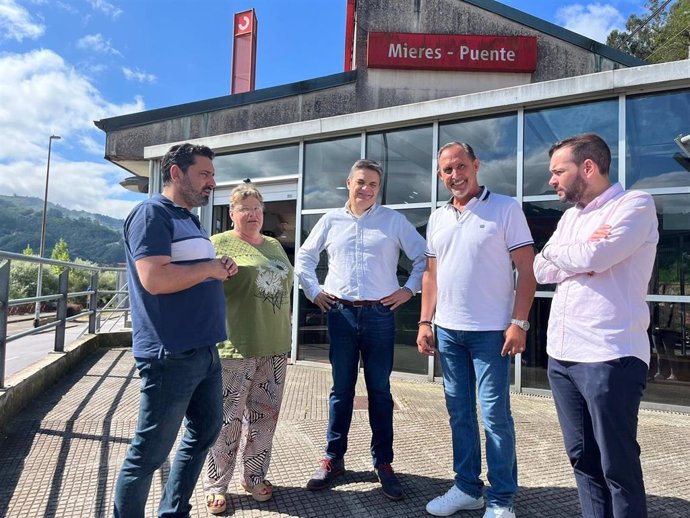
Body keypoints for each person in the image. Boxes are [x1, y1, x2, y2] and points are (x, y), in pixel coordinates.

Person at [533, 133, 658, 518]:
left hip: (610, 356)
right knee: (583, 461)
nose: (552, 180)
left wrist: (573, 253)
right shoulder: (571, 218)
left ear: (587, 167)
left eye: (558, 171)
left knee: (616, 466)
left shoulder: (634, 204)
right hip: (562, 357)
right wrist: (577, 253)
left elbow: (599, 255)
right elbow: (540, 267)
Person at [114, 143, 238, 518]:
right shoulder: (151, 213)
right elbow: (153, 278)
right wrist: (209, 269)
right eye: (204, 174)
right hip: (170, 353)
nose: (212, 183)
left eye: (213, 175)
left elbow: (193, 270)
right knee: (150, 451)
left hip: (204, 351)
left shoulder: (190, 218)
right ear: (176, 173)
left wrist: (219, 265)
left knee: (205, 431)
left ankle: (173, 512)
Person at [294, 159, 426, 501]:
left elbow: (425, 258)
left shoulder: (393, 221)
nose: (366, 189)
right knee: (341, 391)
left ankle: (384, 463)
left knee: (380, 392)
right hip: (340, 314)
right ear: (348, 183)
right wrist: (313, 291)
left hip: (380, 315)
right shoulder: (330, 220)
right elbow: (304, 258)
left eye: (373, 185)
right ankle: (333, 459)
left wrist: (408, 289)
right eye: (361, 182)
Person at [417, 142, 536, 518]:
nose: (456, 175)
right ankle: (468, 488)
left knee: (495, 416)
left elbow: (528, 271)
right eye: (447, 171)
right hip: (449, 332)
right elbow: (431, 274)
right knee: (459, 414)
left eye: (461, 166)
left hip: (491, 333)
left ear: (476, 165)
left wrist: (519, 322)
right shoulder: (437, 217)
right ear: (440, 176)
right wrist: (425, 320)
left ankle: (502, 499)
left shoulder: (505, 208)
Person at [204, 182, 293, 515]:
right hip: (235, 347)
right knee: (228, 420)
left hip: (274, 346)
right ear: (232, 213)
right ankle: (216, 484)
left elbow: (285, 289)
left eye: (257, 208)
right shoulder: (219, 244)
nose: (253, 214)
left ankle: (254, 477)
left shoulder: (273, 245)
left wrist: (287, 337)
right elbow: (201, 291)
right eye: (245, 208)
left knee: (265, 417)